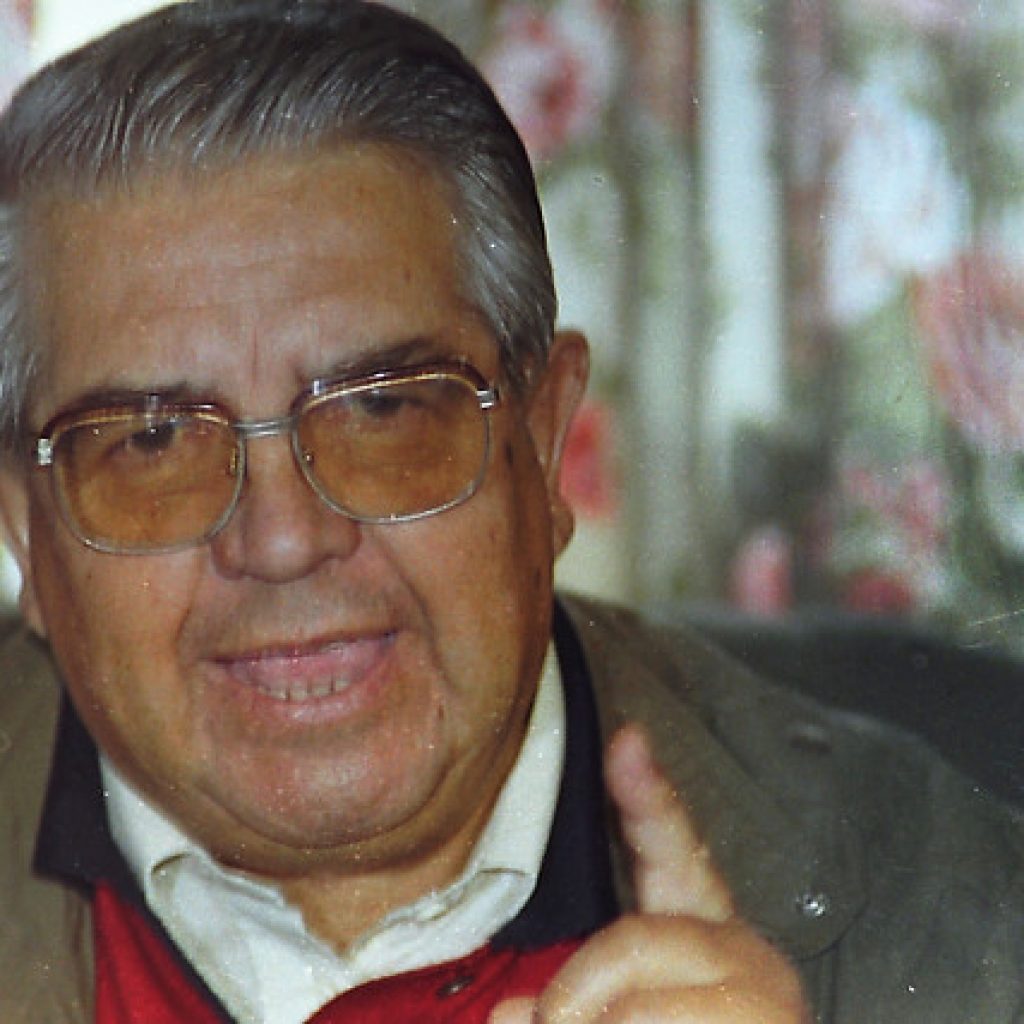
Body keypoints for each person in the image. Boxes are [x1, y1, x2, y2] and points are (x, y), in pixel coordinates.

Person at [0, 2, 1019, 1022]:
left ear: (542, 443)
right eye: (152, 442)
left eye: (383, 411)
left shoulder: (967, 918)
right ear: (25, 532)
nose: (283, 540)